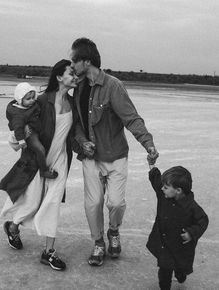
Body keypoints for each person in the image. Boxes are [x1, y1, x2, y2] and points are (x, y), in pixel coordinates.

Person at [70, 37, 159, 266]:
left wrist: (147, 143)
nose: (72, 65)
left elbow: (131, 118)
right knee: (93, 203)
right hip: (91, 158)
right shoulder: (78, 88)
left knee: (116, 203)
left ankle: (113, 231)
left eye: (74, 60)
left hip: (116, 155)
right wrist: (82, 141)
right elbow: (77, 123)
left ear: (86, 61)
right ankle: (98, 242)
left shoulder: (113, 86)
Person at [0, 59, 78, 271]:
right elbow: (17, 112)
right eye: (72, 73)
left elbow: (74, 133)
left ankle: (48, 252)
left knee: (52, 203)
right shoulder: (41, 101)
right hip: (38, 160)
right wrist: (17, 137)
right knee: (32, 202)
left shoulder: (74, 103)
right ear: (60, 77)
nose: (75, 77)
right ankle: (13, 227)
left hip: (60, 159)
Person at [146, 156, 209, 290]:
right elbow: (156, 181)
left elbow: (203, 220)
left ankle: (181, 273)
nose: (162, 188)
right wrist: (151, 164)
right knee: (164, 270)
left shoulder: (191, 206)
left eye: (166, 187)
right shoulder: (164, 195)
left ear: (178, 190)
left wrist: (192, 233)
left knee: (181, 269)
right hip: (164, 244)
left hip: (181, 247)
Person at [6, 82, 58, 179]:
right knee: (40, 149)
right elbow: (18, 128)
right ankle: (44, 171)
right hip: (29, 134)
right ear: (20, 99)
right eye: (28, 99)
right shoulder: (18, 114)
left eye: (33, 97)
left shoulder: (31, 105)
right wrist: (21, 140)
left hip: (36, 129)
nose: (31, 101)